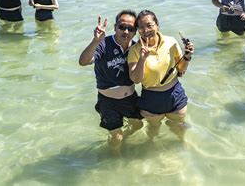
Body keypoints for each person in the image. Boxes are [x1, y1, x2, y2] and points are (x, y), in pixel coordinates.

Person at [79, 10, 143, 151]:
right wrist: (95, 41)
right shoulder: (103, 44)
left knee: (139, 125)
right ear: (115, 27)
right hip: (108, 102)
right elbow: (83, 62)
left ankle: (122, 137)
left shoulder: (136, 47)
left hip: (130, 98)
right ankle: (115, 159)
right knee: (116, 137)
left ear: (135, 32)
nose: (126, 31)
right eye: (122, 27)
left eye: (131, 29)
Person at [128, 10, 194, 140]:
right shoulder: (135, 50)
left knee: (180, 127)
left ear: (157, 25)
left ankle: (183, 145)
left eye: (149, 25)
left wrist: (187, 56)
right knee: (153, 131)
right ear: (137, 30)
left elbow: (181, 71)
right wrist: (142, 59)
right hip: (151, 98)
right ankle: (152, 151)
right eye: (141, 27)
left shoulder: (171, 42)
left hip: (174, 94)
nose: (145, 30)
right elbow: (135, 80)